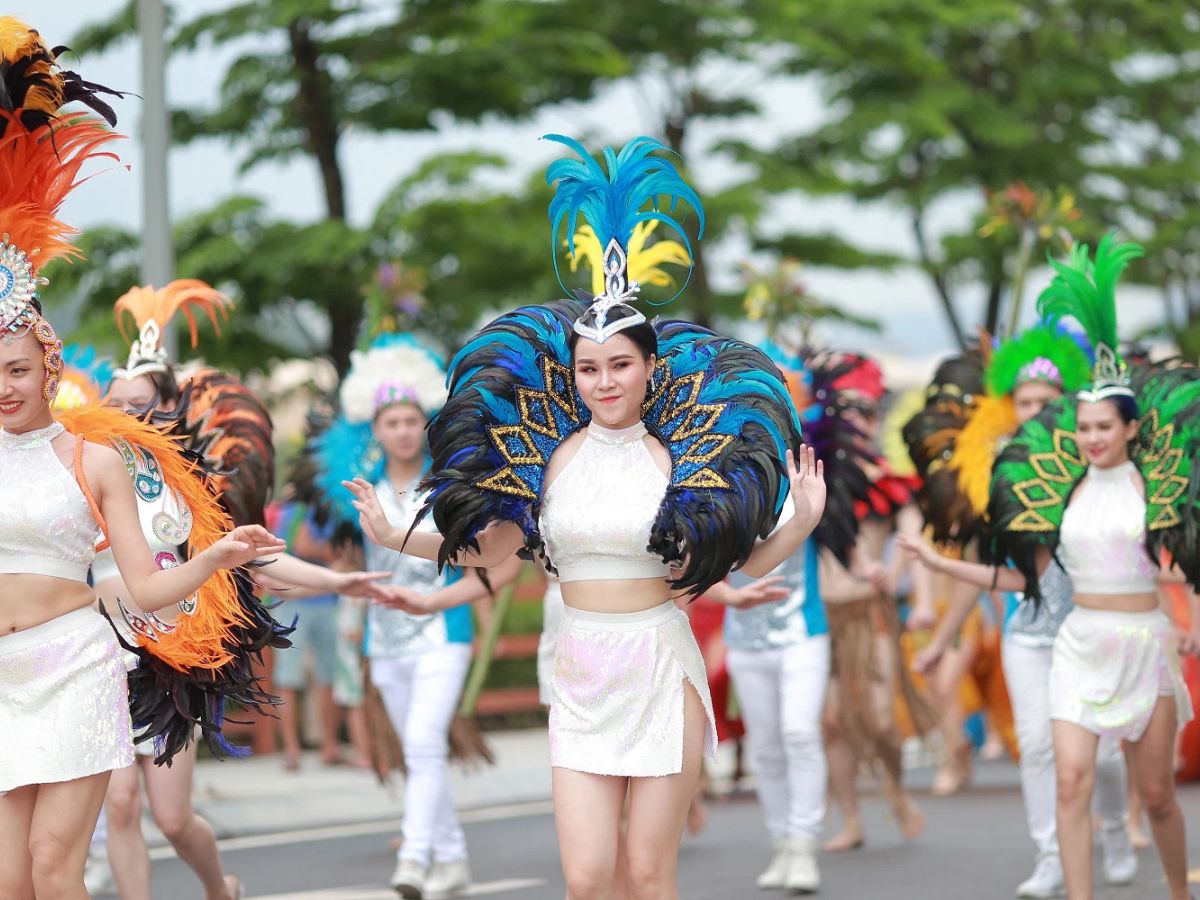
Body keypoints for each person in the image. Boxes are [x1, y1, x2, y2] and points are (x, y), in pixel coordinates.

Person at [345, 134, 823, 899]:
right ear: (572, 375)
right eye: (589, 368)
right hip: (579, 673)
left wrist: (797, 521)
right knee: (588, 878)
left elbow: (736, 562)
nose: (605, 382)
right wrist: (393, 534)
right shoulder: (548, 460)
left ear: (649, 367)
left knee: (645, 874)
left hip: (659, 668)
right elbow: (490, 549)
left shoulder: (679, 459)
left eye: (620, 365)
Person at [0, 24, 286, 896]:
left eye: (15, 370)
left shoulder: (94, 459)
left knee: (55, 870)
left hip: (74, 667)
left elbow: (144, 584)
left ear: (50, 365)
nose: (2, 388)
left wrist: (214, 558)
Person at [916, 235, 1199, 900]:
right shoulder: (1055, 489)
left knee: (1156, 795)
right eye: (1084, 427)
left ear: (1131, 428)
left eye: (1104, 427)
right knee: (1068, 776)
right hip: (1078, 645)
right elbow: (1024, 578)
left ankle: (1180, 892)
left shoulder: (1158, 487)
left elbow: (1185, 564)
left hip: (1144, 645)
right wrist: (938, 564)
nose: (1091, 438)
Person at [96, 280, 386, 900]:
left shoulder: (196, 495)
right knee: (119, 805)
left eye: (141, 402)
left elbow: (253, 567)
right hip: (94, 660)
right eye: (116, 402)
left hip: (166, 666)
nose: (125, 414)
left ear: (170, 408)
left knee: (171, 819)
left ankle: (217, 887)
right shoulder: (79, 478)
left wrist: (339, 580)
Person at [903, 318, 1139, 897]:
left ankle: (1111, 831)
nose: (1035, 409)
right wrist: (942, 640)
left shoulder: (1095, 466)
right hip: (1028, 634)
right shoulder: (999, 478)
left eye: (1047, 399)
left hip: (1093, 633)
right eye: (1025, 399)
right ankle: (1050, 855)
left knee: (1104, 754)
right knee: (1036, 746)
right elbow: (987, 574)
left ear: (1067, 402)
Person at [315, 333, 522, 898]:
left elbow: (498, 567)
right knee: (416, 749)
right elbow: (348, 562)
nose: (403, 431)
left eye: (412, 420)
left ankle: (413, 858)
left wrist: (436, 601)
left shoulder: (455, 485)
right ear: (375, 429)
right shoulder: (360, 491)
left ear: (424, 423)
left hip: (443, 631)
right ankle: (451, 856)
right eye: (391, 422)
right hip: (386, 639)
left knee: (426, 743)